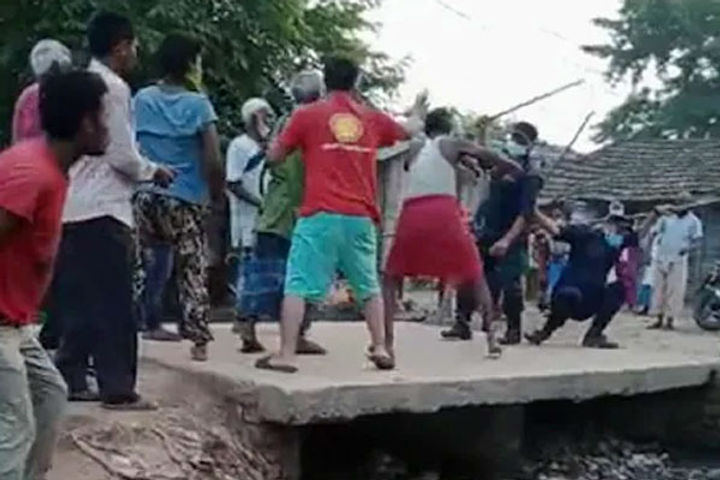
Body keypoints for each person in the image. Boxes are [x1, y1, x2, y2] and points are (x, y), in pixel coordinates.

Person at [255, 55, 425, 373]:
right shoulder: (371, 118)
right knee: (368, 285)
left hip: (319, 213)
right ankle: (380, 347)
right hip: (361, 215)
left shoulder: (307, 116)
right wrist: (417, 109)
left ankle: (287, 354)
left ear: (325, 82)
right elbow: (409, 130)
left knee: (297, 283)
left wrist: (273, 137)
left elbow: (275, 156)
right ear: (357, 81)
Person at [53, 11, 174, 409]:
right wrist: (153, 170)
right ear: (121, 46)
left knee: (80, 301)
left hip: (71, 203)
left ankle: (70, 376)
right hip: (106, 205)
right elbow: (120, 153)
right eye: (134, 45)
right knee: (115, 302)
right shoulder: (114, 88)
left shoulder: (75, 84)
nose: (136, 53)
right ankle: (118, 387)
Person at [0, 70, 109, 480]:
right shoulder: (33, 175)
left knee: (49, 395)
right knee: (13, 425)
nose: (109, 128)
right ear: (85, 123)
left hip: (14, 323)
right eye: (104, 117)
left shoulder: (46, 166)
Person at [383, 108, 522, 357]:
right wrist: (509, 167)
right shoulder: (449, 143)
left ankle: (387, 344)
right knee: (475, 274)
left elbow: (414, 166)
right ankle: (492, 340)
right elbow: (487, 155)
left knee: (392, 276)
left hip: (411, 212)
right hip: (442, 211)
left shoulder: (414, 148)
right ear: (448, 127)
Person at [133, 33, 224, 359]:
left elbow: (131, 145)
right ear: (189, 64)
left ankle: (130, 329)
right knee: (191, 266)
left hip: (145, 192)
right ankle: (198, 339)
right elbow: (213, 159)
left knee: (139, 266)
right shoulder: (198, 105)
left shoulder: (141, 99)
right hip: (185, 198)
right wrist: (215, 197)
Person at [236, 70, 327, 355]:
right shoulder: (317, 123)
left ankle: (247, 325)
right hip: (303, 209)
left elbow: (274, 156)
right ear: (320, 94)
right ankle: (297, 334)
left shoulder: (285, 123)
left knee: (264, 272)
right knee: (306, 275)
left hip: (277, 209)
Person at [446, 122, 544, 345]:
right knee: (468, 275)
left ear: (529, 144)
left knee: (510, 283)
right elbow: (471, 159)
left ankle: (513, 329)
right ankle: (462, 323)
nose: (513, 143)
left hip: (511, 234)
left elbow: (526, 212)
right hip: (485, 229)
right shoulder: (499, 165)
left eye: (519, 140)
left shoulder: (531, 175)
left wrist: (507, 239)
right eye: (513, 137)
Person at [525, 211, 636, 349]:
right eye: (619, 226)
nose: (621, 231)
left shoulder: (618, 245)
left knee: (618, 289)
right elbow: (556, 230)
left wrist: (653, 216)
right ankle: (545, 332)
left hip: (592, 299)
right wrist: (533, 211)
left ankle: (594, 334)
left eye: (624, 228)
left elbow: (639, 237)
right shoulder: (585, 235)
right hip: (569, 294)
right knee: (568, 295)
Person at [226, 98, 276, 282]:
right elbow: (233, 182)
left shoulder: (272, 147)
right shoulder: (239, 145)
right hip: (247, 216)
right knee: (247, 262)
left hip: (268, 217)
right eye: (264, 115)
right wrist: (260, 204)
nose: (268, 120)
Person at [647, 205, 703, 330]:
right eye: (678, 202)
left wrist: (687, 249)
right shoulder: (666, 218)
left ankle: (670, 320)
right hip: (661, 257)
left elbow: (697, 241)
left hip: (678, 259)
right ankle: (658, 318)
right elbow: (654, 232)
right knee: (658, 289)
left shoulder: (693, 221)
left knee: (675, 290)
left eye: (683, 202)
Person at [12, 39, 73, 144]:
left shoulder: (74, 95)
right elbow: (16, 138)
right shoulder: (28, 97)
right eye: (43, 76)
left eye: (50, 73)